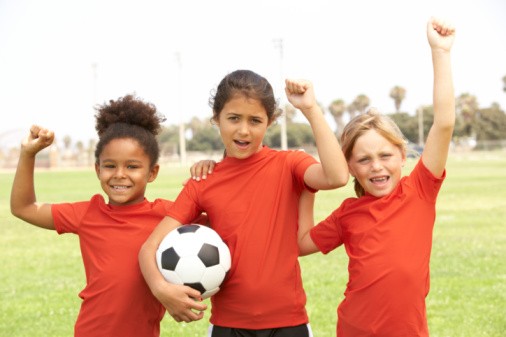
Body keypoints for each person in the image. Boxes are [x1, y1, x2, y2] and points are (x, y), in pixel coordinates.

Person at [139, 70, 349, 336]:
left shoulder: (289, 165)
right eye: (234, 118)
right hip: (228, 326)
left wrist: (310, 109)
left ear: (270, 121)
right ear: (217, 119)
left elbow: (338, 176)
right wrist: (161, 290)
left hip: (288, 322)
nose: (243, 130)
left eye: (255, 120)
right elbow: (150, 248)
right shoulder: (203, 181)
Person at [298, 17, 456, 336]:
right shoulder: (347, 214)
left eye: (385, 156)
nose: (377, 166)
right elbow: (300, 244)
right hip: (354, 328)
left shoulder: (421, 190)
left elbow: (444, 124)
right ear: (351, 167)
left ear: (401, 155)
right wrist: (306, 187)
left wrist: (440, 52)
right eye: (364, 160)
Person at [10, 94, 203, 337]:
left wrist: (209, 171)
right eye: (110, 166)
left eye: (132, 167)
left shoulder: (169, 215)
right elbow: (23, 207)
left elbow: (224, 220)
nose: (119, 174)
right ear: (98, 169)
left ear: (152, 172)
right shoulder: (87, 213)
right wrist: (28, 154)